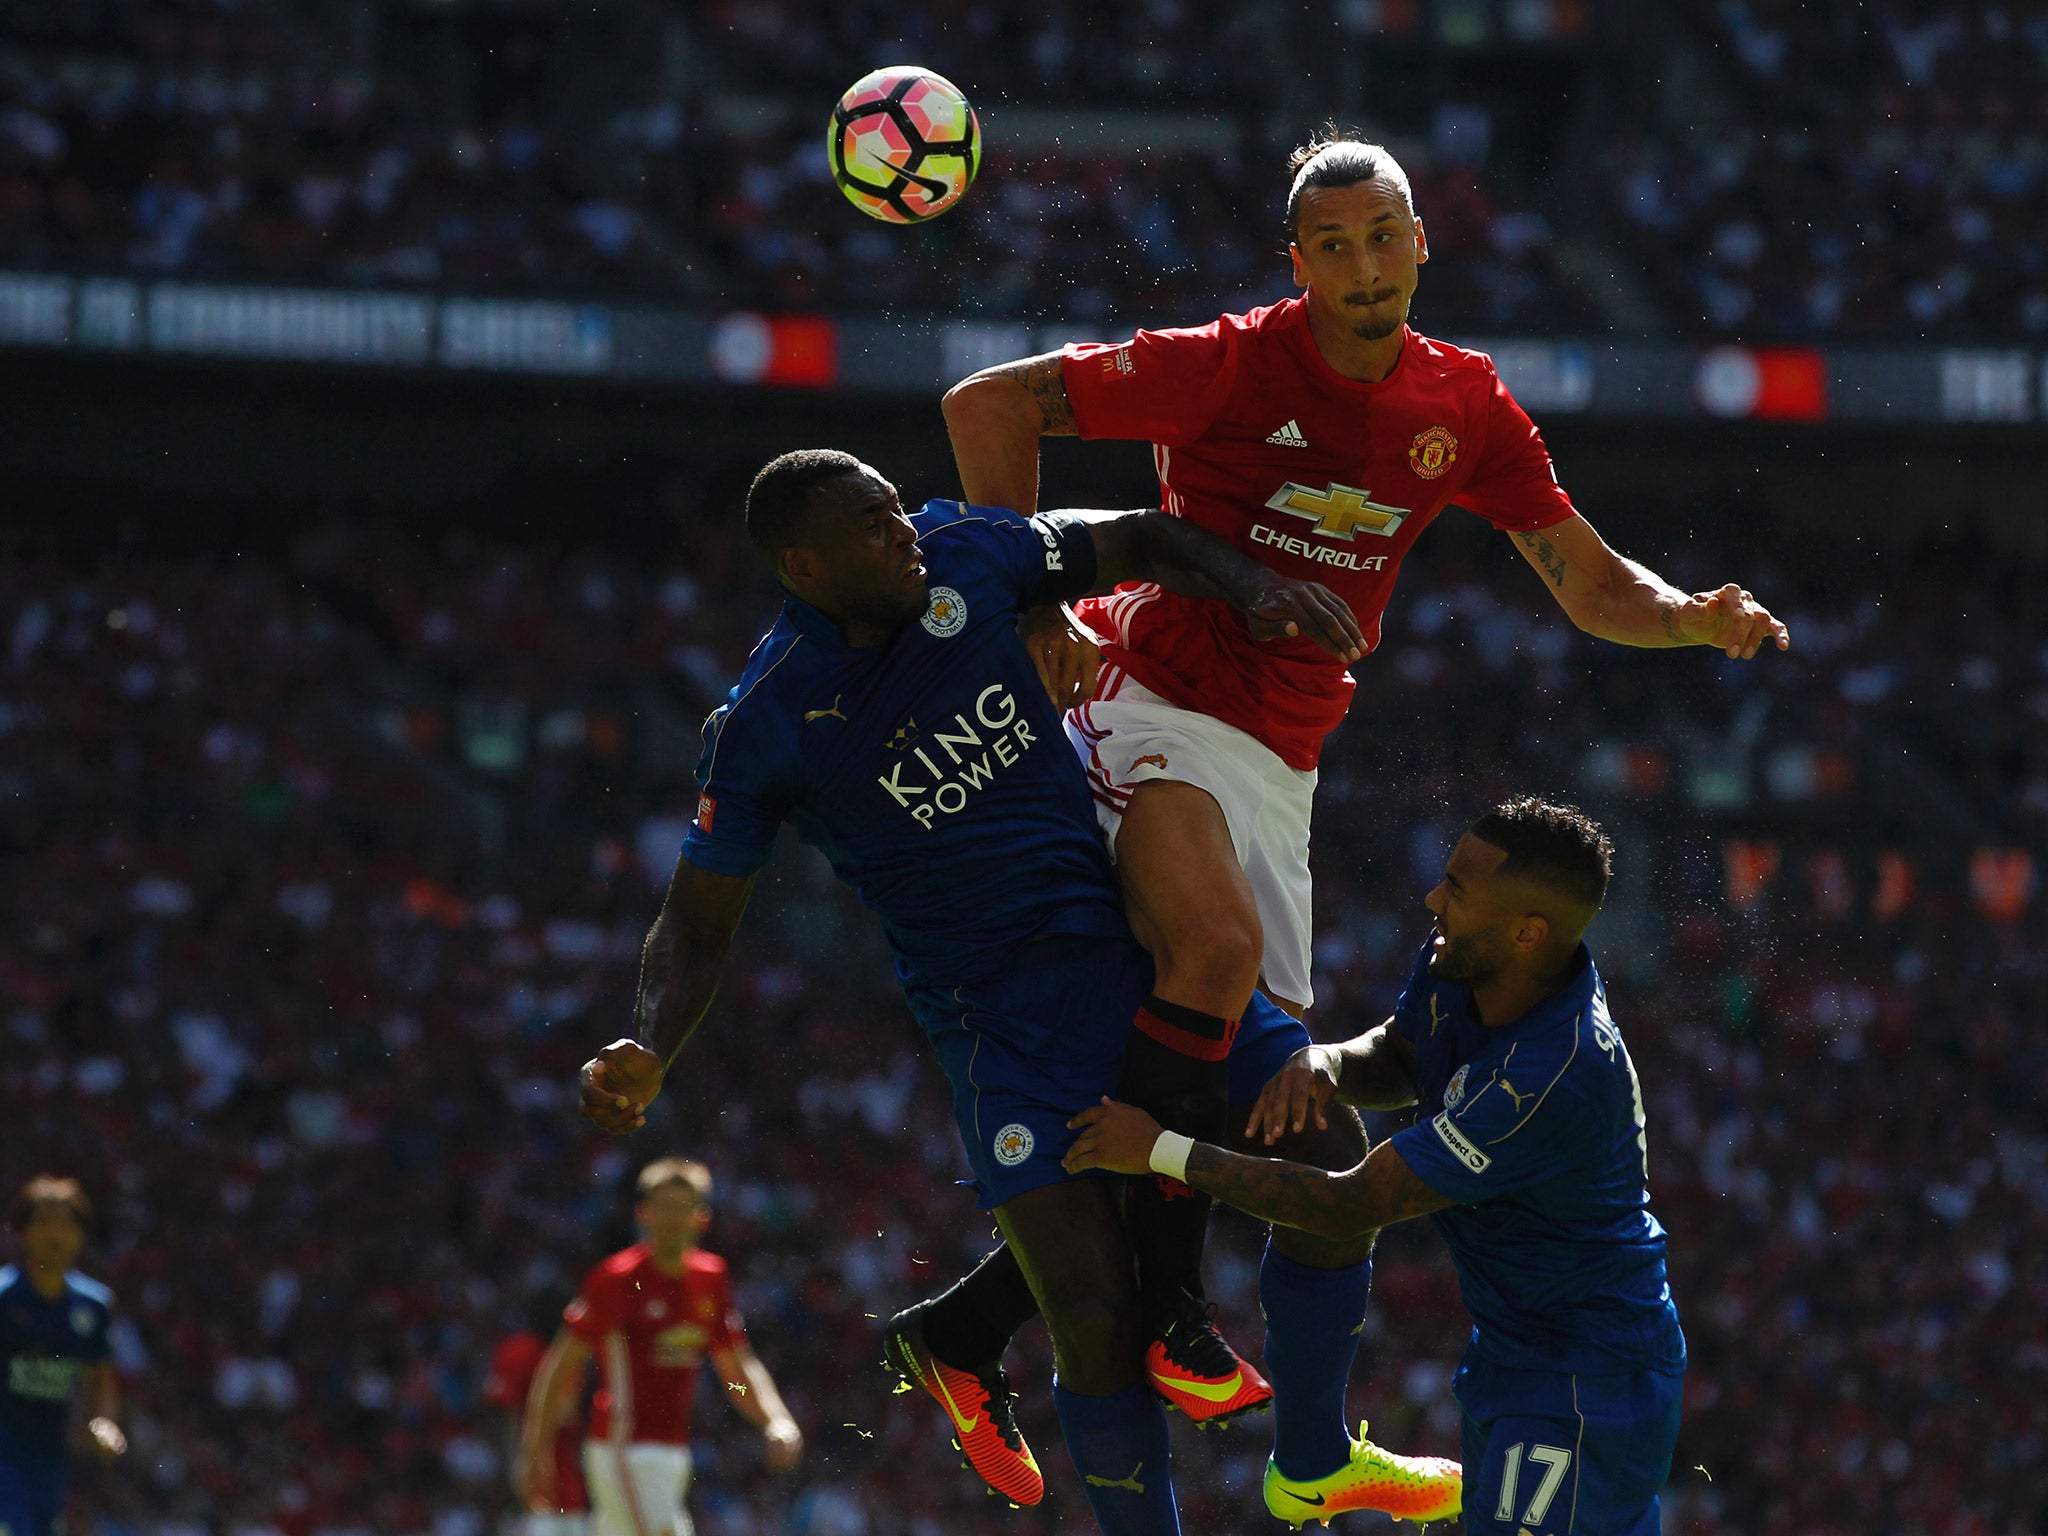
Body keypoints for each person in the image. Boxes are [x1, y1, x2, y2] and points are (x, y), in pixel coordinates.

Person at [926, 127, 1783, 1504]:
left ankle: (1251, 1444)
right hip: (1152, 701)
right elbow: (987, 405)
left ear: (1421, 242)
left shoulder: (1467, 401)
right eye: (1332, 246)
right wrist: (1026, 608)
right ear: (1297, 265)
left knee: (1287, 1121)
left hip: (1283, 763)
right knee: (1206, 965)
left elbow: (1576, 570)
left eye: (1382, 236)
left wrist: (1692, 618)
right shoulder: (1231, 361)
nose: (1363, 264)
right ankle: (1161, 1313)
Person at [574, 448, 1447, 1534]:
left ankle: (1311, 1457)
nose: (903, 531)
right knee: (1096, 1318)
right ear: (802, 565)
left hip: (1127, 953)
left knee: (1326, 1160)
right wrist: (650, 1043)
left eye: (895, 507)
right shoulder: (767, 724)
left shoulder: (965, 557)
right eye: (871, 525)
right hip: (1001, 1024)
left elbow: (1136, 532)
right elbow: (697, 921)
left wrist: (1251, 584)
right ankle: (1001, 1359)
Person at [1066, 798, 1687, 1532]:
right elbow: (1402, 1054)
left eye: (1457, 889)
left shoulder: (1552, 1075)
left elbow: (1347, 1204)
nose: (1433, 899)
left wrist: (1159, 1152)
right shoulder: (1465, 967)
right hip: (1515, 1355)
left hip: (1590, 1379)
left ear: (1527, 932)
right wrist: (1324, 1061)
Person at [518, 1158, 801, 1536]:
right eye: (663, 1208)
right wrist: (536, 1452)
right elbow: (561, 1364)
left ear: (702, 1218)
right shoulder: (618, 1280)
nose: (672, 1219)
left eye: (682, 1209)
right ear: (643, 1215)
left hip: (672, 1453)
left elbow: (735, 1368)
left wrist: (775, 1420)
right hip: (623, 1448)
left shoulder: (711, 1278)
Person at [0, 1176, 126, 1536]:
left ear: (82, 1235)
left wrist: (104, 1424)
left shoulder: (93, 1307)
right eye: (44, 1222)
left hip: (49, 1463)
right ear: (21, 1233)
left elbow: (100, 1380)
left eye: (67, 1223)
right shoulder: (3, 1299)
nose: (56, 1233)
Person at [487, 1304, 590, 1536]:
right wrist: (512, 1470)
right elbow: (504, 1416)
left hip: (569, 1486)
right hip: (529, 1482)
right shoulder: (521, 1353)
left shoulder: (572, 1356)